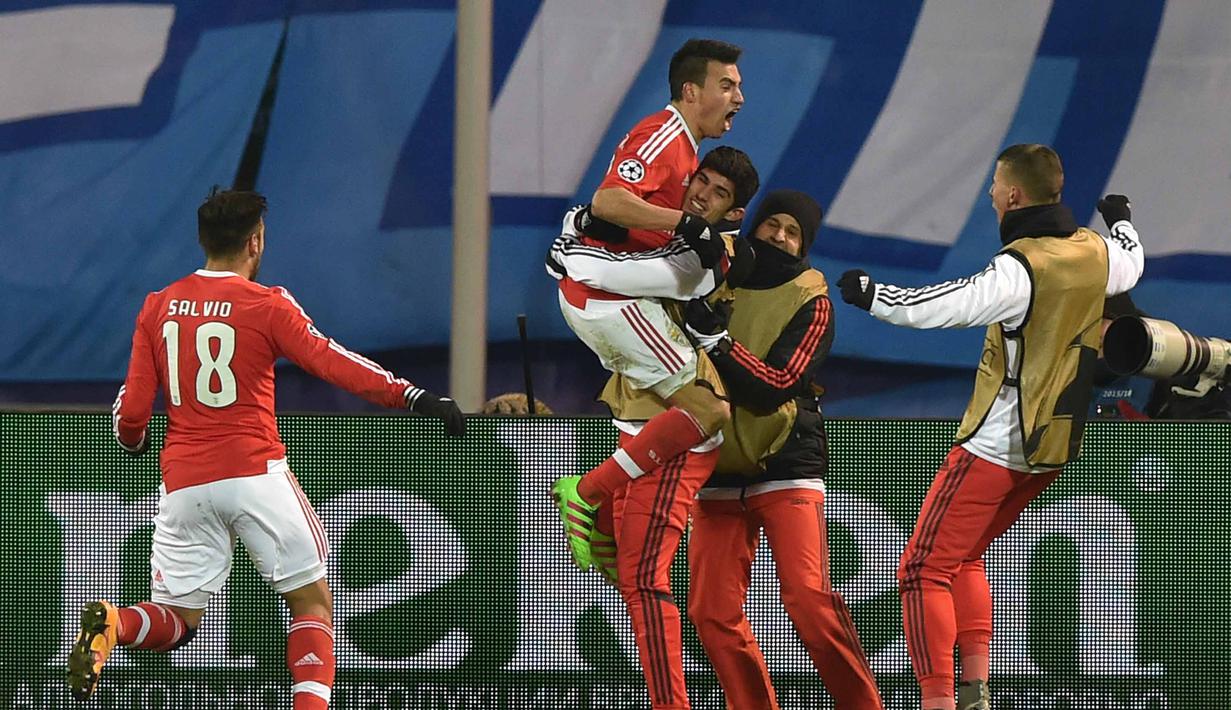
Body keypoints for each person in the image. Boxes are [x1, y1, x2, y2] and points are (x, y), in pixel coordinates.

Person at [66, 189, 466, 707]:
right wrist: (409, 395)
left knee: (179, 620)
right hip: (255, 472)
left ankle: (116, 624)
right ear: (255, 241)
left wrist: (134, 440)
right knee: (312, 605)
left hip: (184, 483)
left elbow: (133, 411)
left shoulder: (157, 307)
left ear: (202, 241)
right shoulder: (267, 304)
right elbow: (331, 361)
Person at [835, 144, 1144, 710]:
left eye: (995, 186)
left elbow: (943, 304)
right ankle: (975, 693)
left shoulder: (1021, 266)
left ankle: (939, 701)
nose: (990, 194)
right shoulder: (1096, 251)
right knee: (965, 556)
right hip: (1053, 444)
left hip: (995, 444)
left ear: (1013, 196)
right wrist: (1120, 218)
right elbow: (1132, 258)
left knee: (923, 570)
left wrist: (874, 296)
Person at [548, 145, 760, 710]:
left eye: (718, 196)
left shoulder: (711, 255)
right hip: (636, 424)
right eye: (702, 182)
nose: (701, 197)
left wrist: (569, 251)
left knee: (644, 580)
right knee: (635, 585)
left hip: (679, 432)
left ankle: (587, 489)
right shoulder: (665, 224)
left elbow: (607, 260)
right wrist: (580, 225)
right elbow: (608, 225)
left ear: (733, 215)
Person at [549, 37, 746, 578]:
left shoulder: (684, 150)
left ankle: (608, 529)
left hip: (601, 297)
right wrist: (687, 225)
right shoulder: (664, 133)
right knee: (707, 415)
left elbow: (614, 220)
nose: (739, 97)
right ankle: (586, 494)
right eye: (726, 85)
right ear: (691, 90)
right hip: (611, 303)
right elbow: (609, 200)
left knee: (668, 425)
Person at [678, 190, 883, 709]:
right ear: (755, 226)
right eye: (773, 225)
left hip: (786, 463)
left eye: (793, 232)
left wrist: (718, 345)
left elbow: (778, 385)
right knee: (708, 612)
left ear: (805, 246)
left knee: (809, 599)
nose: (780, 237)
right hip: (718, 463)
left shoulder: (813, 300)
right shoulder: (711, 275)